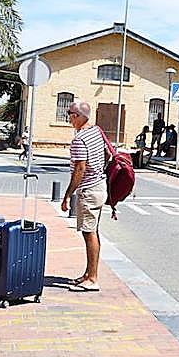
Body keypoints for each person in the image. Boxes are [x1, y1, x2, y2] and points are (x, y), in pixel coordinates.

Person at [60, 101, 106, 291]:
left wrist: (67, 195)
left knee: (89, 233)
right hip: (99, 185)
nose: (69, 118)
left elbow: (80, 168)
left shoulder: (79, 139)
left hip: (89, 190)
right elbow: (107, 155)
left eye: (70, 114)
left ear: (77, 116)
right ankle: (88, 273)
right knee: (93, 231)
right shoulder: (96, 132)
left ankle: (93, 279)